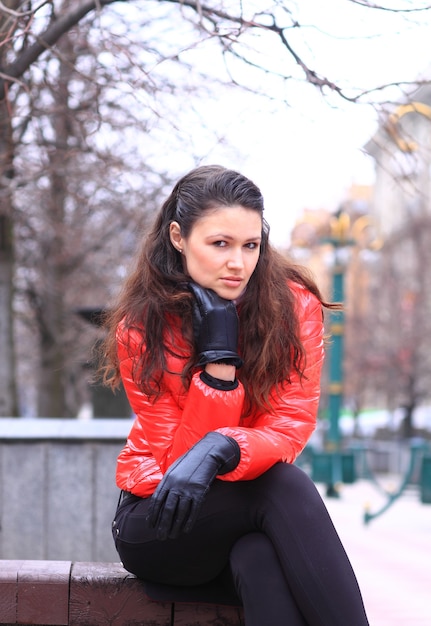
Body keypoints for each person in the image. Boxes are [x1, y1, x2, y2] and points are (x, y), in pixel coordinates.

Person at [100, 164, 369, 625]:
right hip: (160, 517)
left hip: (247, 514)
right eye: (219, 244)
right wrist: (220, 369)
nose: (238, 263)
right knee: (282, 485)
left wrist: (225, 446)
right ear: (178, 237)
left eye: (250, 245)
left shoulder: (292, 306)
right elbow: (178, 470)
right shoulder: (141, 329)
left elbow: (289, 425)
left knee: (259, 557)